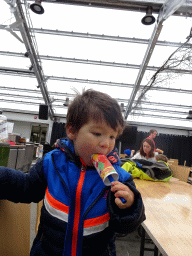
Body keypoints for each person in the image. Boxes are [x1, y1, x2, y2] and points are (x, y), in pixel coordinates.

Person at [0, 89, 145, 256]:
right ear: (72, 131)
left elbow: (125, 227)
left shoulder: (121, 178)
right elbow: (27, 187)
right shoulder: (52, 163)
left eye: (112, 136)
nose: (106, 143)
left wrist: (130, 205)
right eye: (97, 133)